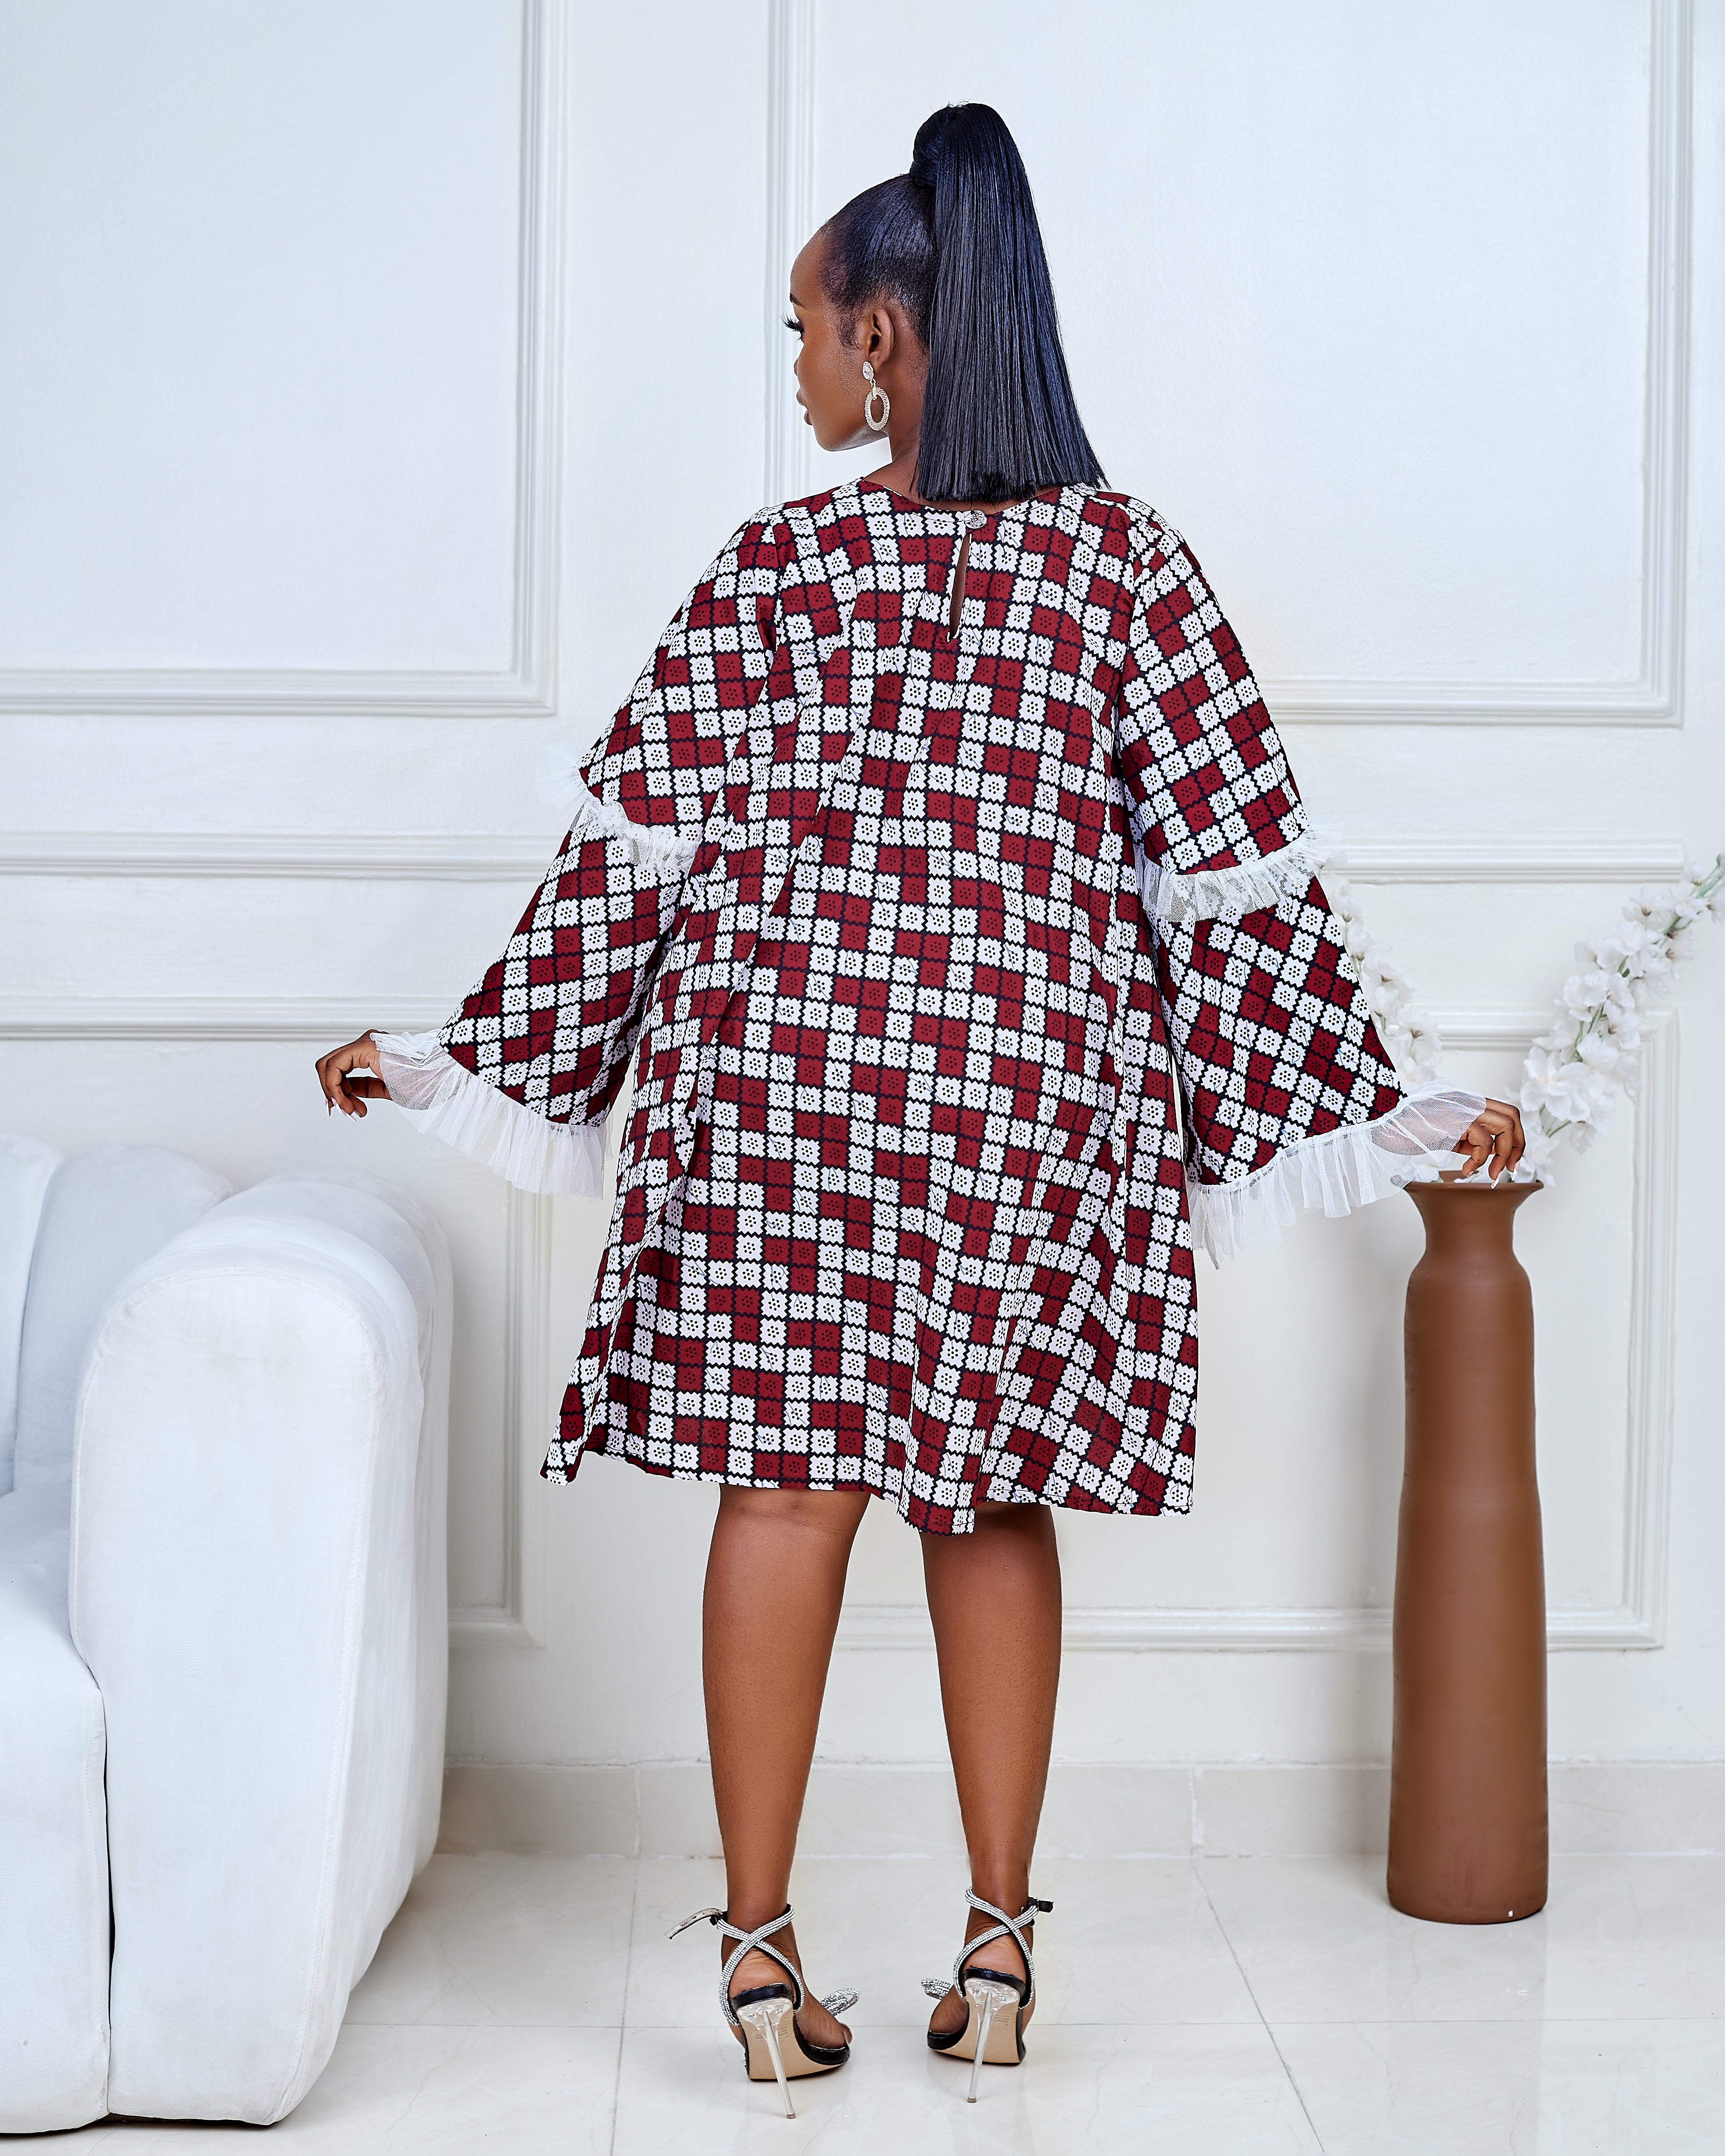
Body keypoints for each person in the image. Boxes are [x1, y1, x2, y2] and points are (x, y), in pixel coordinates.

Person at [317, 101, 1524, 2112]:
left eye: (801, 327)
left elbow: (633, 857)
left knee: (782, 1493)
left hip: (780, 1117)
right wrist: (1381, 1108)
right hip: (1019, 1129)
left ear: (886, 335)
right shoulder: (1128, 564)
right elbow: (1232, 874)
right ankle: (997, 1955)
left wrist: (479, 1051)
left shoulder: (777, 566)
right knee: (985, 1498)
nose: (792, 367)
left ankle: (762, 1964)